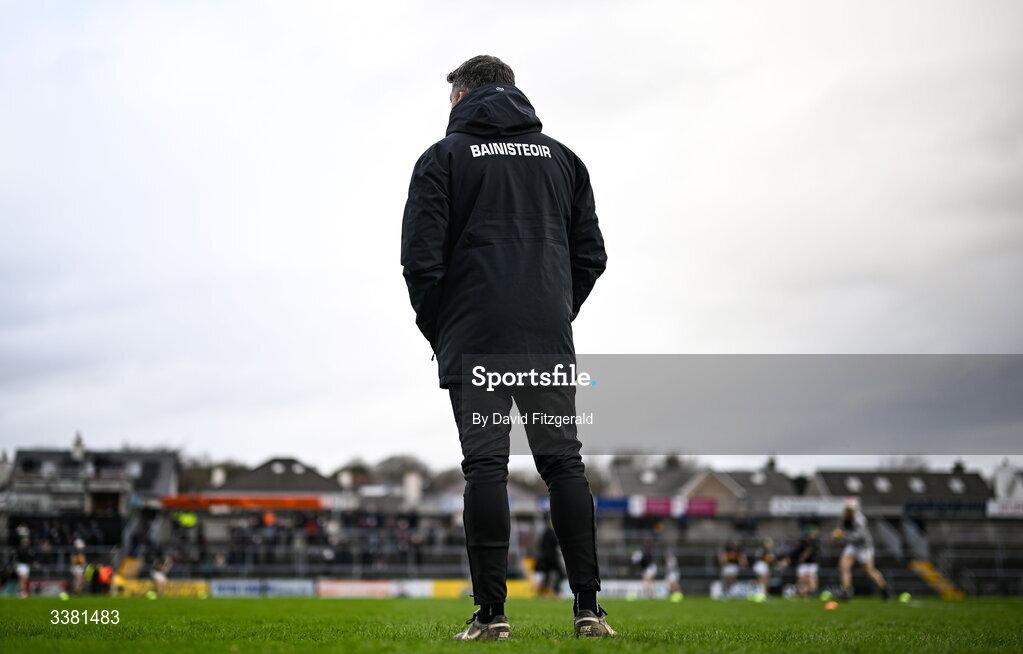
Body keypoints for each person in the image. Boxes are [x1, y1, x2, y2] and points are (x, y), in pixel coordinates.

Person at [402, 55, 609, 640]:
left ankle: (492, 616)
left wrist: (444, 329)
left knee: (486, 468)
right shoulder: (564, 160)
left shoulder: (442, 159)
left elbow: (420, 262)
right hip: (545, 339)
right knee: (563, 465)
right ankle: (588, 610)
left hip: (476, 339)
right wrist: (554, 311)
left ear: (462, 97)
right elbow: (590, 256)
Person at [833, 506, 891, 600]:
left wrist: (843, 536)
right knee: (843, 567)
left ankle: (883, 588)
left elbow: (858, 536)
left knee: (869, 571)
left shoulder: (860, 519)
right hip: (853, 546)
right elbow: (840, 529)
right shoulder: (844, 518)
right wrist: (835, 537)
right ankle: (846, 590)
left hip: (864, 547)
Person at [535, 516, 565, 598]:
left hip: (546, 557)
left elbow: (541, 545)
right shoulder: (551, 533)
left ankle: (544, 593)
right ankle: (556, 591)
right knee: (560, 574)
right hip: (552, 558)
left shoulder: (545, 533)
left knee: (548, 575)